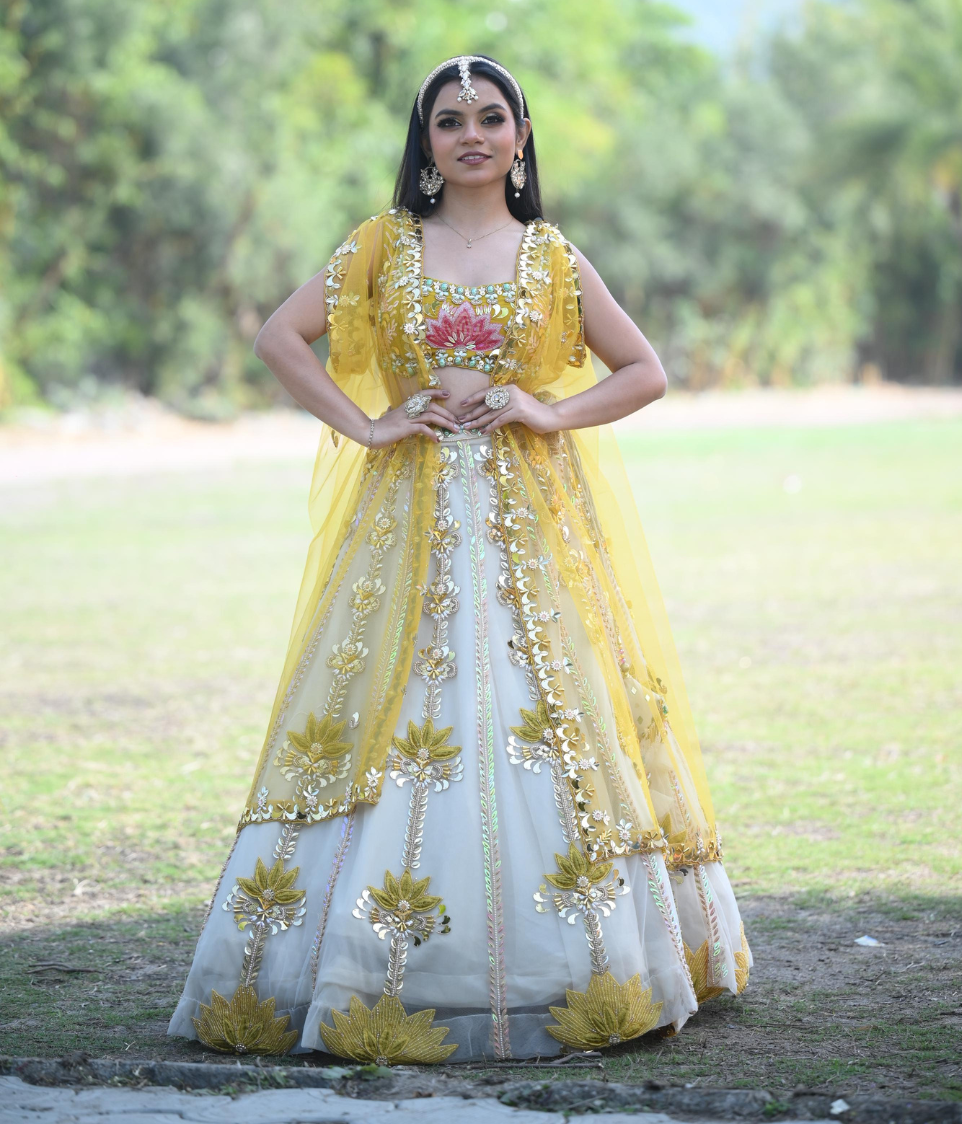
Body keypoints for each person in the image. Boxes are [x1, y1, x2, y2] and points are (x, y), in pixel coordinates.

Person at [168, 54, 750, 1064]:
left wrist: (547, 408)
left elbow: (645, 370)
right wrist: (370, 425)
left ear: (521, 137)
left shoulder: (554, 258)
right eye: (448, 120)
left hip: (533, 523)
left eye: (490, 116)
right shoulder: (382, 246)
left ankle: (583, 969)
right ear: (426, 141)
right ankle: (345, 971)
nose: (470, 133)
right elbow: (280, 338)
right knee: (389, 713)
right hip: (409, 523)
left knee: (546, 711)